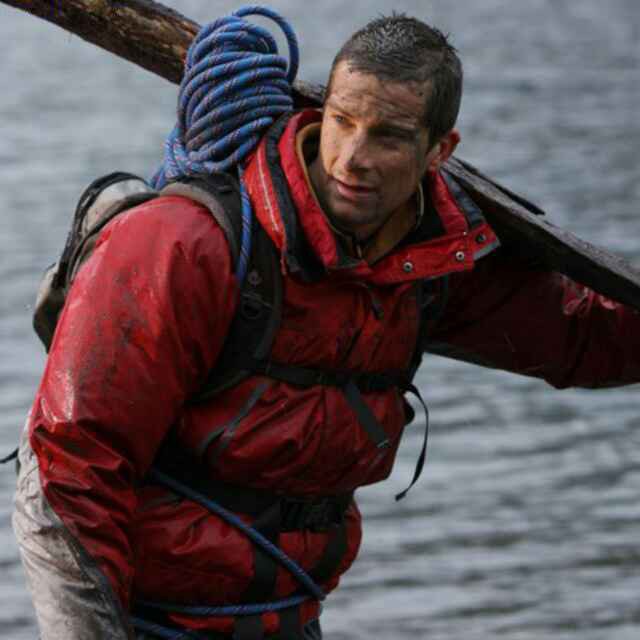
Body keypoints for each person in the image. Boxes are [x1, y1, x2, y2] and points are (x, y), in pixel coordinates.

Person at [12, 12, 640, 640]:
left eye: (389, 137)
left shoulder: (432, 262)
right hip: (146, 622)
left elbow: (584, 338)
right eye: (342, 121)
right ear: (320, 113)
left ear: (439, 151)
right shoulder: (185, 244)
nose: (353, 158)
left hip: (288, 619)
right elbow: (70, 473)